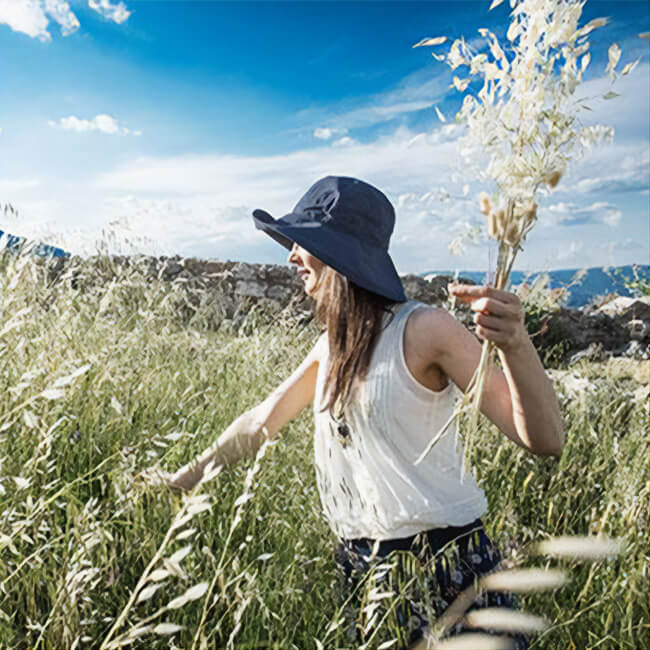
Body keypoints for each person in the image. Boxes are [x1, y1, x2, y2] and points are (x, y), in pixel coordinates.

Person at [158, 176, 565, 648]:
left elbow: (543, 438)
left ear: (339, 253)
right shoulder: (330, 347)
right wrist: (182, 480)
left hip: (446, 565)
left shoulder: (426, 329)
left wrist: (515, 344)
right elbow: (260, 422)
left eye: (303, 242)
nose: (290, 255)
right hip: (364, 571)